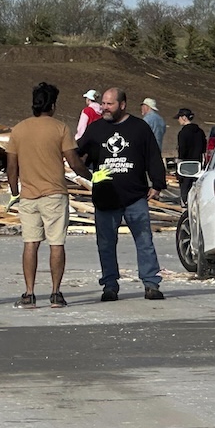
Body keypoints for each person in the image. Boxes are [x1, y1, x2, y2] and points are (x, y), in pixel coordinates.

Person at [5, 83, 92, 309]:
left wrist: (15, 190)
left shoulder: (19, 130)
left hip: (29, 195)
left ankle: (29, 293)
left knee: (30, 243)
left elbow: (11, 166)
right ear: (52, 105)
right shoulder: (60, 128)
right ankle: (55, 293)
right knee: (56, 244)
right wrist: (92, 176)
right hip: (54, 194)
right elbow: (74, 162)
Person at [77, 87, 167, 301]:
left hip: (135, 196)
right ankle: (110, 285)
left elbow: (153, 155)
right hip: (106, 197)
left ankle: (151, 283)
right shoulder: (96, 129)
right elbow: (78, 155)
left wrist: (157, 183)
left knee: (144, 240)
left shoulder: (139, 128)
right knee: (106, 243)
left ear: (122, 105)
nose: (104, 108)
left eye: (110, 104)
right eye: (104, 104)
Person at [175, 108, 207, 206]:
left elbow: (182, 149)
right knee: (195, 185)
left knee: (185, 185)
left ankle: (185, 203)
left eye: (179, 118)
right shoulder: (200, 132)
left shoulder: (183, 133)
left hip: (185, 163)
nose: (178, 120)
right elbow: (203, 148)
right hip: (197, 163)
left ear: (184, 118)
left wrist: (178, 160)